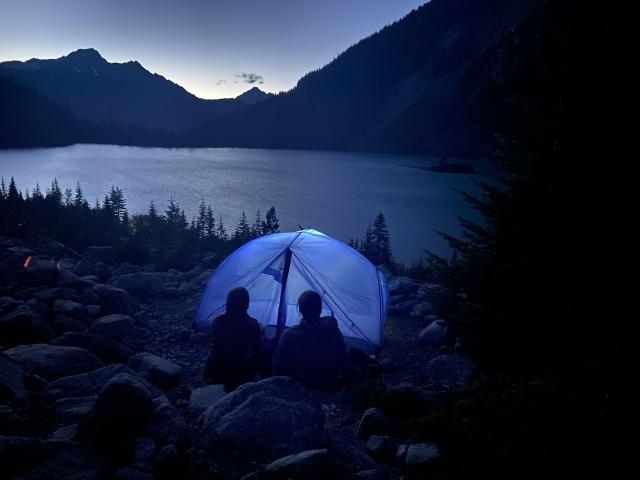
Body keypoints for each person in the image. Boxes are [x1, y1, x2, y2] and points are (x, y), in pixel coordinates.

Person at [274, 290, 348, 392]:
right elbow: (343, 363)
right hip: (328, 387)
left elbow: (278, 368)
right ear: (320, 309)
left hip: (298, 389)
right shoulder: (334, 331)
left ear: (300, 309)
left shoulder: (289, 336)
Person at [203, 287, 270, 391]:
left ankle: (206, 375)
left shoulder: (217, 321)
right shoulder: (251, 324)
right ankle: (266, 385)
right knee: (266, 351)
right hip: (238, 374)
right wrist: (262, 336)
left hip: (216, 369)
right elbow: (258, 349)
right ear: (247, 305)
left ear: (228, 303)